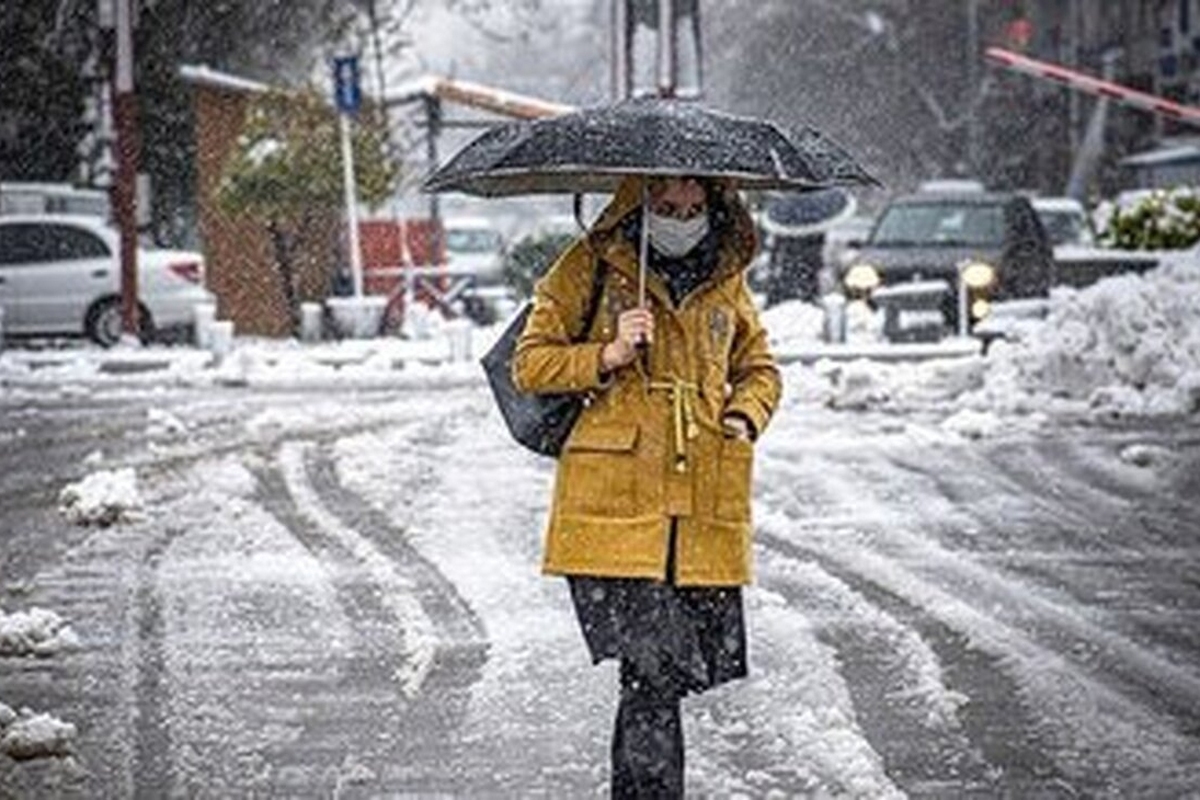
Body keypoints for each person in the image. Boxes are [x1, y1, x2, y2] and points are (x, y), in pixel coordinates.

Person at [512, 174, 781, 798]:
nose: (680, 219)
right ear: (639, 205)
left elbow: (759, 368)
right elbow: (530, 364)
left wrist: (744, 415)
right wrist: (606, 355)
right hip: (613, 509)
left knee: (660, 677)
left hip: (697, 511)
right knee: (656, 670)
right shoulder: (589, 266)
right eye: (664, 207)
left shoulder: (725, 277)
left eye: (692, 208)